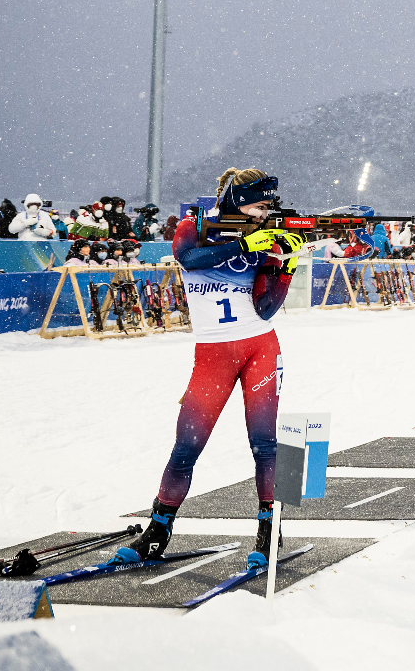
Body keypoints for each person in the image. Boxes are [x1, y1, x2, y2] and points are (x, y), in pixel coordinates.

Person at [112, 168, 303, 572]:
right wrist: (245, 243)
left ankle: (271, 531)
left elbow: (267, 307)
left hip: (260, 347)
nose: (265, 214)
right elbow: (189, 258)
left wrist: (286, 264)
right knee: (186, 447)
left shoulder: (264, 237)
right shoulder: (194, 226)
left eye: (269, 208)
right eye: (259, 206)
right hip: (213, 354)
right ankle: (158, 529)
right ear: (235, 200)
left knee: (266, 444)